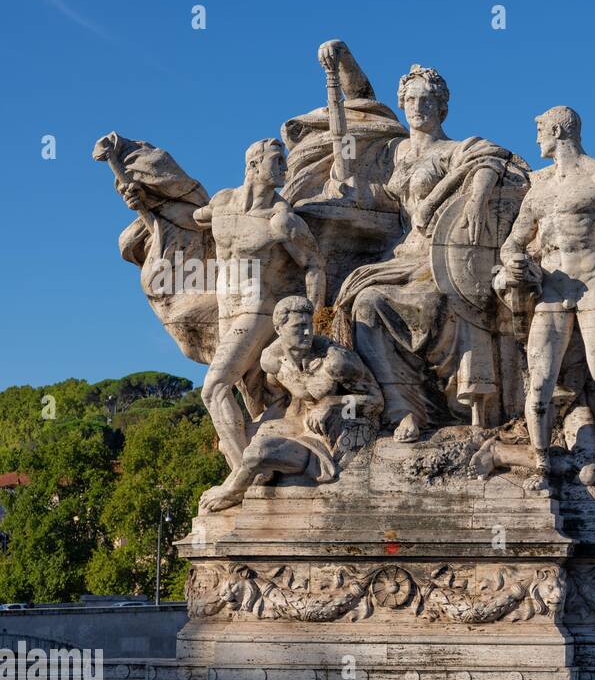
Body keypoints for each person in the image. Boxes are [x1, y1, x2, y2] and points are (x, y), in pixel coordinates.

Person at [331, 64, 527, 436]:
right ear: (401, 105)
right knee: (364, 303)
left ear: (442, 109)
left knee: (431, 302)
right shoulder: (392, 154)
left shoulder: (456, 149)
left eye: (427, 99)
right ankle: (401, 409)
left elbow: (494, 162)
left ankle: (455, 405)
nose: (417, 106)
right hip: (399, 257)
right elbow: (359, 107)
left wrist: (451, 197)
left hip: (439, 259)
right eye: (410, 99)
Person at [495, 106, 595, 493]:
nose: (537, 137)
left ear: (558, 130)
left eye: (540, 129)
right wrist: (515, 263)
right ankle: (542, 465)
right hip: (552, 289)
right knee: (539, 383)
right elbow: (513, 243)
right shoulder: (538, 188)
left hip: (594, 284)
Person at [193, 139, 327, 469]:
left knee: (213, 388)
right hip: (226, 311)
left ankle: (243, 475)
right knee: (252, 395)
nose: (285, 167)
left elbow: (314, 265)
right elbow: (190, 214)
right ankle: (270, 459)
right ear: (253, 166)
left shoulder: (281, 219)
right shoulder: (222, 202)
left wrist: (314, 318)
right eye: (277, 160)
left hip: (259, 310)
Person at [199, 297, 381, 513]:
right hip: (302, 424)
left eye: (308, 325)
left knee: (257, 453)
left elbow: (376, 401)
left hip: (339, 433)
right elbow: (281, 404)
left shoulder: (335, 361)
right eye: (298, 327)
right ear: (279, 329)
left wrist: (333, 403)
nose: (307, 333)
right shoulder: (272, 361)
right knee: (231, 444)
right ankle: (253, 476)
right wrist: (262, 430)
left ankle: (232, 491)